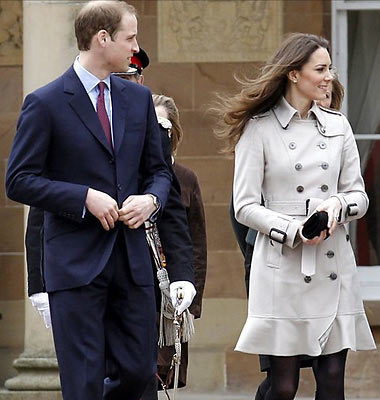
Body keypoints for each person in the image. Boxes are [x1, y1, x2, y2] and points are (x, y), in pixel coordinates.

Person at [6, 2, 195, 400]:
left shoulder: (137, 99)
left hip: (132, 263)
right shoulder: (46, 102)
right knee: (84, 383)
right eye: (130, 37)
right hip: (74, 267)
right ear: (102, 38)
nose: (136, 46)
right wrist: (84, 197)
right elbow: (19, 181)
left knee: (140, 373)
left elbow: (160, 172)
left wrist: (150, 200)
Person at [214, 32, 376, 400]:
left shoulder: (339, 126)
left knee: (333, 379)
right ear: (293, 74)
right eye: (320, 69)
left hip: (333, 263)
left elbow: (359, 195)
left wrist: (337, 205)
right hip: (281, 267)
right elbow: (244, 205)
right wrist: (294, 230)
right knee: (283, 386)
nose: (329, 77)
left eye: (330, 69)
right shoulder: (259, 129)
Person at [153, 93, 207, 394]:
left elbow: (197, 244)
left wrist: (191, 302)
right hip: (135, 289)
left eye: (163, 126)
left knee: (161, 375)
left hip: (171, 296)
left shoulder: (185, 178)